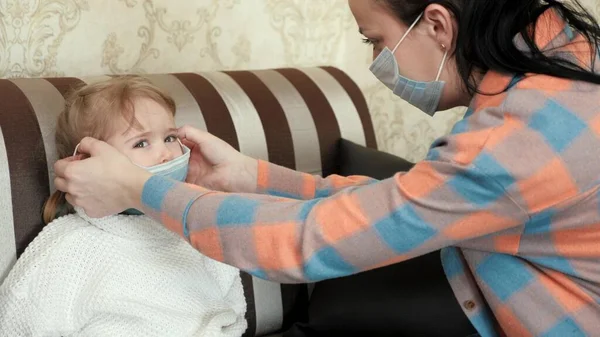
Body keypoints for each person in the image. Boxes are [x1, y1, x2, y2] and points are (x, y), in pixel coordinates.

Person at [53, 0, 600, 336]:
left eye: (376, 40)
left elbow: (310, 241)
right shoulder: (560, 57)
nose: (375, 61)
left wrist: (136, 186)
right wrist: (252, 177)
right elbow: (414, 201)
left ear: (436, 24)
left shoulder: (515, 138)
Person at [0, 76, 247, 337]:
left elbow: (231, 311)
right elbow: (17, 322)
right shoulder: (68, 250)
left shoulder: (199, 228)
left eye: (170, 138)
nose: (166, 154)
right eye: (141, 143)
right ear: (87, 164)